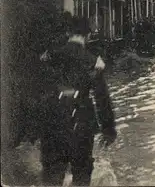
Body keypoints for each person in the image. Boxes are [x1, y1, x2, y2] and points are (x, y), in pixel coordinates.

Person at [39, 16, 117, 186]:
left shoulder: (50, 57)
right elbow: (101, 98)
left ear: (68, 33)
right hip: (81, 124)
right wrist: (108, 129)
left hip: (52, 121)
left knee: (52, 175)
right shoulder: (94, 62)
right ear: (88, 35)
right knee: (81, 174)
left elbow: (39, 90)